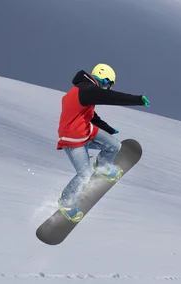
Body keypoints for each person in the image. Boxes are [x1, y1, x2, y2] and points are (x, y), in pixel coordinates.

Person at [56, 63, 150, 222]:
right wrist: (137, 100)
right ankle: (66, 203)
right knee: (84, 175)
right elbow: (111, 98)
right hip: (73, 139)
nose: (108, 89)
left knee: (115, 146)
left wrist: (109, 129)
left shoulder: (85, 91)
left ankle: (102, 167)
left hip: (85, 130)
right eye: (109, 85)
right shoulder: (86, 90)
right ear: (105, 80)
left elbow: (92, 116)